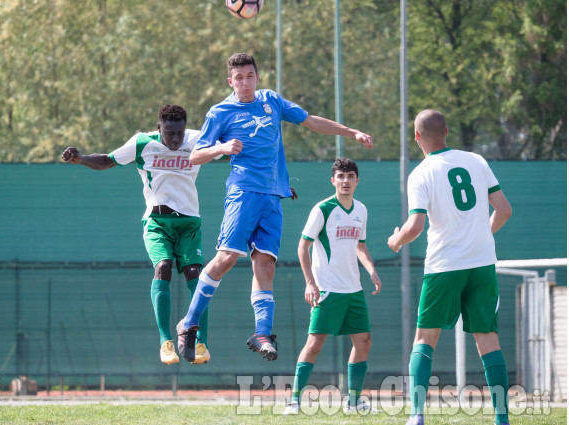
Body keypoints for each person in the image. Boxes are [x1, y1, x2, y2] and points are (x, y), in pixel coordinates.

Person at [176, 52, 374, 364]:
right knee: (226, 258)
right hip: (243, 192)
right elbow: (192, 157)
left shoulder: (271, 101)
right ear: (230, 81)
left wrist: (351, 132)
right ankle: (188, 323)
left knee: (266, 266)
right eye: (238, 78)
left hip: (272, 197)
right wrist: (221, 148)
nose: (244, 82)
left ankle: (262, 332)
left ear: (257, 76)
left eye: (249, 76)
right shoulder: (221, 112)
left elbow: (310, 121)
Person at [387, 109, 512, 425]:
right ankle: (502, 418)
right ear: (447, 131)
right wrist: (480, 233)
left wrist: (396, 241)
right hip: (482, 263)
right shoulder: (477, 161)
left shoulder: (421, 173)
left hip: (444, 264)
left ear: (416, 137)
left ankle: (417, 414)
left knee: (425, 338)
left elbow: (415, 226)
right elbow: (504, 210)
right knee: (488, 338)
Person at [62, 104, 211, 366]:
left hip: (189, 222)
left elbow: (235, 153)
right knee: (163, 266)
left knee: (197, 276)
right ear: (159, 129)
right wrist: (81, 158)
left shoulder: (198, 140)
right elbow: (108, 160)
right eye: (169, 134)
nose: (175, 140)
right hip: (156, 222)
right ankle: (166, 342)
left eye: (179, 133)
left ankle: (201, 343)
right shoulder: (143, 143)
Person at [282, 158, 382, 415]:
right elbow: (302, 247)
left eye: (350, 176)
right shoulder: (322, 209)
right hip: (327, 289)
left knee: (365, 341)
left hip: (354, 290)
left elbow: (360, 246)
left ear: (357, 180)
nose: (346, 181)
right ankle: (294, 400)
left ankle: (354, 401)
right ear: (333, 180)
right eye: (341, 176)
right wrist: (310, 283)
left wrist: (371, 270)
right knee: (315, 343)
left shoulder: (361, 209)